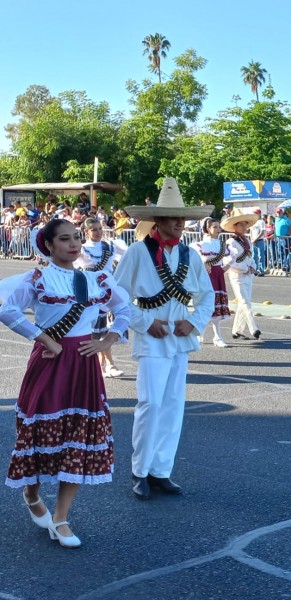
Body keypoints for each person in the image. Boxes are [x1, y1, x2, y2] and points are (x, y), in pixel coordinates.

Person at [0, 219, 131, 548]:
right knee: (37, 436)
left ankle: (61, 518)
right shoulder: (36, 277)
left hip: (84, 364)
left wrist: (108, 340)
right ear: (49, 245)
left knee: (78, 437)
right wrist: (43, 337)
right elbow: (5, 307)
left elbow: (126, 308)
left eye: (76, 238)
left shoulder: (96, 278)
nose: (73, 244)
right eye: (64, 239)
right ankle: (32, 495)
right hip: (48, 363)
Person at [113, 178, 214, 500]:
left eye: (182, 218)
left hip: (178, 338)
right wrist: (144, 322)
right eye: (172, 218)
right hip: (152, 337)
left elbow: (207, 296)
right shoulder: (138, 253)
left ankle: (161, 471)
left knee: (173, 405)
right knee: (150, 403)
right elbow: (116, 295)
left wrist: (194, 322)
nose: (179, 224)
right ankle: (139, 471)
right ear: (157, 221)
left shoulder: (190, 255)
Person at [75, 217, 128, 378]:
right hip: (90, 292)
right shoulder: (82, 249)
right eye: (94, 229)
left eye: (100, 228)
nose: (98, 232)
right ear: (86, 231)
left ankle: (105, 364)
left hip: (109, 290)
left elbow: (129, 256)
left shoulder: (111, 246)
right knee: (96, 330)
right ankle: (105, 365)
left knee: (108, 327)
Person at [191, 217, 232, 347]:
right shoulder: (203, 244)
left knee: (216, 304)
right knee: (206, 304)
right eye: (215, 227)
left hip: (217, 275)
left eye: (218, 227)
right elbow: (198, 258)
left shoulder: (221, 244)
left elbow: (231, 256)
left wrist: (226, 266)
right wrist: (205, 264)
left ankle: (217, 336)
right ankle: (202, 334)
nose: (218, 230)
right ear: (208, 229)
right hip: (206, 276)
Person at [221, 208, 261, 340]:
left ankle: (237, 330)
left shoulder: (247, 241)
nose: (244, 227)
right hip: (237, 276)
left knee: (245, 302)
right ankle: (253, 328)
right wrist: (245, 268)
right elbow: (230, 261)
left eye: (245, 224)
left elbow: (250, 257)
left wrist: (253, 267)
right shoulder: (230, 242)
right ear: (234, 226)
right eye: (241, 224)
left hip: (248, 275)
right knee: (244, 302)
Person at [249, 209, 266, 276]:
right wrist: (252, 239)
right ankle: (255, 269)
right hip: (253, 240)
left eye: (256, 213)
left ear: (259, 214)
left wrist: (255, 239)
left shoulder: (261, 222)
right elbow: (251, 231)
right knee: (254, 256)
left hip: (259, 240)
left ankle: (261, 270)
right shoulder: (252, 222)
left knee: (261, 255)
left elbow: (262, 232)